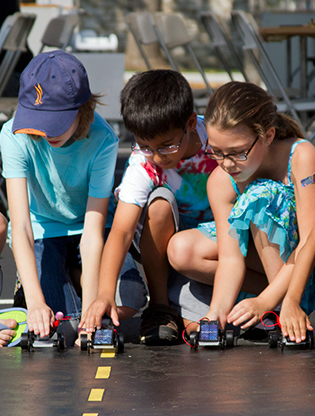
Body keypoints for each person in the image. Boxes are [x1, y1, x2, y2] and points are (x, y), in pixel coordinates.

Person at [0, 50, 147, 342]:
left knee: (128, 301)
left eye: (55, 122)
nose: (45, 131)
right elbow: (22, 227)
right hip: (44, 230)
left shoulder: (102, 140)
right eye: (38, 119)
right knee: (58, 318)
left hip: (91, 228)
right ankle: (54, 275)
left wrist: (93, 313)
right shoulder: (13, 135)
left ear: (82, 109)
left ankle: (74, 275)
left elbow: (92, 232)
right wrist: (35, 300)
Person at [79, 69, 218, 345]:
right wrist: (105, 293)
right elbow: (121, 232)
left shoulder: (217, 139)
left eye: (166, 146)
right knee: (158, 205)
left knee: (204, 319)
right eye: (144, 145)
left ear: (191, 123)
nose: (156, 156)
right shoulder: (143, 164)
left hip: (215, 245)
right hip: (170, 253)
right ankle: (160, 306)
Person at [167, 81, 315, 333]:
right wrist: (215, 314)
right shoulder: (220, 181)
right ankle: (266, 302)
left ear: (267, 136)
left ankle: (285, 306)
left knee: (260, 196)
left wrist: (275, 300)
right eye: (216, 152)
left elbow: (310, 238)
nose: (226, 163)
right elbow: (230, 258)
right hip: (274, 273)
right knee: (181, 248)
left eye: (237, 152)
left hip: (306, 266)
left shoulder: (301, 155)